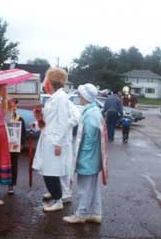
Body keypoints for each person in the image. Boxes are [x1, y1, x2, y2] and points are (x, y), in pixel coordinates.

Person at [63, 83, 108, 224]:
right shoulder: (93, 111)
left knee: (85, 188)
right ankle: (96, 213)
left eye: (80, 94)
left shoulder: (91, 113)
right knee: (93, 187)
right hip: (93, 158)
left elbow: (89, 138)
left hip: (88, 158)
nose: (79, 97)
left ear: (85, 96)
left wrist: (82, 157)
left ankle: (81, 214)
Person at [32, 68, 70, 212]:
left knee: (52, 172)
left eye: (46, 80)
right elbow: (50, 121)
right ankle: (56, 198)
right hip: (48, 139)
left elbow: (63, 122)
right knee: (48, 171)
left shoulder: (61, 98)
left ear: (51, 82)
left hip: (54, 141)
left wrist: (58, 143)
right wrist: (37, 122)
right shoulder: (54, 97)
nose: (45, 83)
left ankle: (57, 200)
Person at [43, 100, 80, 204]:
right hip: (53, 139)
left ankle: (66, 193)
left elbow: (76, 117)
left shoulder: (66, 102)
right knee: (53, 168)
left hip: (64, 140)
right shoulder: (51, 101)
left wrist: (65, 124)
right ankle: (54, 191)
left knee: (64, 167)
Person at [7, 98, 26, 195]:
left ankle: (11, 185)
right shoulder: (4, 118)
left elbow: (23, 133)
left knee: (13, 165)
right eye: (12, 106)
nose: (14, 108)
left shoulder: (20, 119)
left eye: (15, 106)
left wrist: (22, 144)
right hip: (4, 146)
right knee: (1, 164)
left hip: (14, 147)